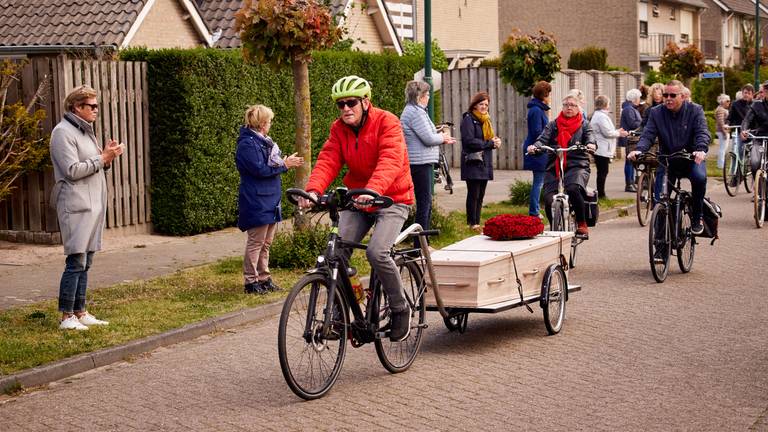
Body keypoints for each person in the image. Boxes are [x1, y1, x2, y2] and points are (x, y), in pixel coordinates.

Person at [299, 75, 415, 342]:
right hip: (359, 197)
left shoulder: (387, 122)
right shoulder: (338, 129)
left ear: (365, 102)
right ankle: (340, 313)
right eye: (340, 104)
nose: (345, 109)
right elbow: (328, 159)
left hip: (392, 198)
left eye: (351, 102)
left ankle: (400, 308)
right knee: (337, 252)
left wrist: (373, 190)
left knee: (377, 252)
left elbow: (391, 159)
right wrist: (314, 190)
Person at [50, 85, 125, 330]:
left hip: (93, 205)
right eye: (91, 106)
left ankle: (81, 311)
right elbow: (72, 170)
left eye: (96, 106)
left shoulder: (85, 132)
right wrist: (102, 158)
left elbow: (93, 165)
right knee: (76, 261)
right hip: (76, 205)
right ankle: (66, 316)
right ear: (76, 107)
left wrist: (107, 158)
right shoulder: (62, 133)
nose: (96, 110)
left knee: (87, 260)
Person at [236, 105, 303, 294]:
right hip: (257, 199)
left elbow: (269, 165)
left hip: (269, 199)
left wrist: (283, 162)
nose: (271, 124)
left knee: (266, 243)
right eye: (270, 121)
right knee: (256, 242)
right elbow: (260, 170)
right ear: (263, 123)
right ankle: (251, 282)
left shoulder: (264, 142)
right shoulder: (248, 144)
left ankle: (264, 278)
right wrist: (285, 165)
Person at [629, 80, 710, 235]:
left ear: (682, 96)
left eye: (673, 95)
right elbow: (648, 134)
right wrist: (639, 150)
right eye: (665, 95)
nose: (668, 98)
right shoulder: (656, 112)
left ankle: (697, 216)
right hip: (668, 161)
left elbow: (702, 132)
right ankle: (660, 245)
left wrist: (700, 149)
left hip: (692, 158)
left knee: (699, 178)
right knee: (660, 201)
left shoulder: (695, 110)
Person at [527, 94, 597, 238]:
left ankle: (582, 223)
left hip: (577, 165)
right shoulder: (553, 124)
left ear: (579, 108)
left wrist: (590, 145)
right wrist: (535, 146)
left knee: (573, 188)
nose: (569, 107)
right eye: (566, 105)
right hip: (554, 165)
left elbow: (591, 137)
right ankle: (554, 226)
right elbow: (542, 139)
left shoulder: (585, 124)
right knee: (548, 199)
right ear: (562, 107)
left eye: (573, 105)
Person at [400, 80, 455, 243]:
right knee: (424, 203)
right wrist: (442, 137)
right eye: (427, 94)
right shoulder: (415, 112)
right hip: (419, 163)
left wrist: (439, 134)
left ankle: (424, 241)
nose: (429, 97)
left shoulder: (416, 111)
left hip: (420, 162)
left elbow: (426, 133)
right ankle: (420, 244)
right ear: (419, 96)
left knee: (426, 202)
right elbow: (428, 138)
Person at [460, 91, 502, 231]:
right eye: (481, 104)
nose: (484, 107)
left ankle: (477, 221)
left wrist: (495, 142)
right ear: (475, 105)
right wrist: (490, 143)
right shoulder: (468, 119)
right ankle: (472, 223)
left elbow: (486, 140)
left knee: (481, 194)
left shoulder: (485, 120)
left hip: (484, 161)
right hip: (473, 161)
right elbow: (469, 141)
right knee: (473, 193)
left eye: (486, 104)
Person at [522, 81, 551, 217]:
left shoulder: (538, 109)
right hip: (537, 150)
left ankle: (536, 209)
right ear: (544, 95)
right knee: (538, 182)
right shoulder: (536, 110)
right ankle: (534, 211)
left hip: (540, 149)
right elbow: (537, 131)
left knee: (540, 181)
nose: (549, 97)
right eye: (548, 94)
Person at [590, 95, 628, 198]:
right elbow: (608, 133)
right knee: (603, 171)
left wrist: (617, 131)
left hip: (603, 148)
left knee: (603, 171)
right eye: (609, 103)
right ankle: (601, 194)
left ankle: (601, 193)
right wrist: (619, 133)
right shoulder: (601, 116)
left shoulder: (601, 115)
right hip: (601, 148)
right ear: (605, 104)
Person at [741, 81, 768, 176]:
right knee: (754, 163)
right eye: (766, 90)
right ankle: (757, 184)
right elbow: (747, 120)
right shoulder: (757, 105)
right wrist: (744, 130)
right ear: (764, 92)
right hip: (759, 138)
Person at [619, 88, 643, 192]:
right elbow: (632, 124)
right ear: (634, 99)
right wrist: (642, 124)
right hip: (629, 138)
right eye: (638, 98)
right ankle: (629, 184)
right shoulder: (629, 109)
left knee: (631, 161)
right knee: (629, 161)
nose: (639, 100)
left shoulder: (630, 108)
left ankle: (631, 182)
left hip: (631, 137)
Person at [728, 84, 754, 158]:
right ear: (742, 93)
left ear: (752, 94)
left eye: (749, 93)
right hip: (739, 130)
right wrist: (727, 124)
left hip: (751, 131)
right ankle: (734, 169)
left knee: (754, 151)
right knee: (737, 151)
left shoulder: (755, 104)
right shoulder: (735, 104)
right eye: (745, 93)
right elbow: (730, 117)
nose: (746, 95)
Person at [714, 94, 731, 169]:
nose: (729, 102)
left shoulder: (720, 109)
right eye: (727, 101)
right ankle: (721, 165)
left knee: (723, 148)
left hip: (722, 131)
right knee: (722, 149)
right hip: (722, 131)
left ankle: (721, 165)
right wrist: (724, 132)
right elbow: (721, 122)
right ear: (723, 101)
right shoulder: (720, 109)